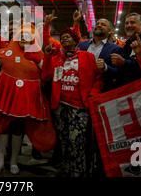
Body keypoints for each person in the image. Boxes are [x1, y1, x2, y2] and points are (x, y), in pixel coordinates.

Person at [0, 25, 47, 175]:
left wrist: (40, 60)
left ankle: (13, 161)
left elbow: (47, 73)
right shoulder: (6, 51)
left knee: (18, 131)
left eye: (27, 35)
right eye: (22, 35)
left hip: (25, 100)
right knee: (3, 130)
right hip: (6, 98)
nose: (24, 38)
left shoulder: (37, 53)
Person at [42, 28, 102, 177]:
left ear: (76, 41)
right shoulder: (56, 58)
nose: (64, 39)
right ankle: (67, 168)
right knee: (63, 141)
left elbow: (99, 78)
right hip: (60, 106)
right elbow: (46, 76)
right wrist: (48, 57)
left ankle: (78, 171)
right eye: (62, 38)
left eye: (68, 37)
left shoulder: (88, 56)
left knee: (77, 142)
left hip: (79, 107)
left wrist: (92, 95)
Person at [111, 12, 141, 84]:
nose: (129, 25)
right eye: (126, 23)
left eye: (132, 22)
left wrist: (124, 62)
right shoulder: (127, 44)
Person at [78, 18, 122, 92]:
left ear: (110, 31)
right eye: (97, 24)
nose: (99, 25)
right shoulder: (82, 45)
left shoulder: (115, 49)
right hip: (79, 87)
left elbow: (118, 72)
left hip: (102, 91)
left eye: (103, 24)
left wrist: (105, 67)